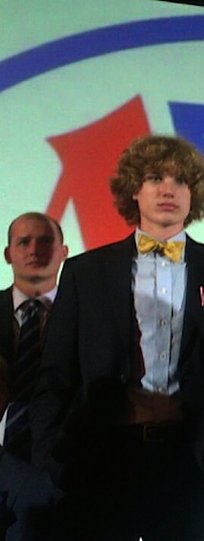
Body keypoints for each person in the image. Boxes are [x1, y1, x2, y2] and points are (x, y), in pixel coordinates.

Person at [30, 135, 204, 540]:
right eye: (155, 177)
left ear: (195, 194)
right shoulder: (86, 272)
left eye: (181, 180)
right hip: (101, 462)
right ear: (134, 188)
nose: (169, 188)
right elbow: (55, 375)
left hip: (195, 467)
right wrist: (53, 459)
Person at [0, 212, 67, 540]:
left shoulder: (86, 316)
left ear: (64, 251)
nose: (34, 249)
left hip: (63, 473)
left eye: (45, 241)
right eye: (23, 242)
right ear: (8, 253)